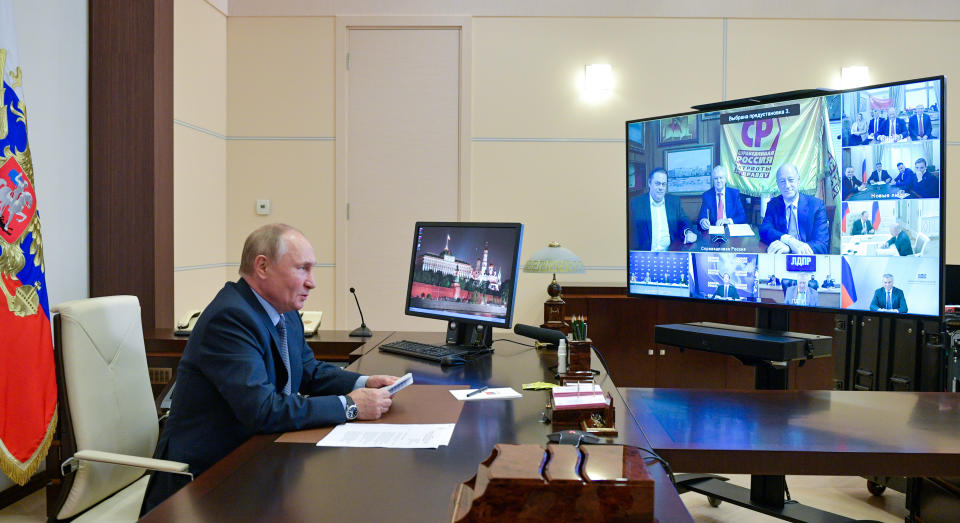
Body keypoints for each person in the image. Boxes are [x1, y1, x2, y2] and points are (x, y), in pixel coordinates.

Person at [140, 224, 398, 515]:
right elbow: (262, 411)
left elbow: (308, 370)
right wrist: (350, 406)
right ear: (262, 266)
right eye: (302, 269)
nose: (312, 283)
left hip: (256, 459)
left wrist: (363, 382)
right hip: (205, 482)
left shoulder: (285, 314)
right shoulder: (230, 318)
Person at [759, 163, 831, 254]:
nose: (787, 185)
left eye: (791, 180)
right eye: (782, 181)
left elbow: (822, 244)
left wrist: (792, 249)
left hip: (808, 261)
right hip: (782, 257)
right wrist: (788, 240)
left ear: (798, 181)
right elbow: (764, 229)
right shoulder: (773, 205)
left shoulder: (816, 206)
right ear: (777, 184)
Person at [628, 167, 697, 251]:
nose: (661, 188)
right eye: (657, 183)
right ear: (649, 183)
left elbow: (684, 220)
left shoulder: (674, 201)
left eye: (663, 184)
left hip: (670, 253)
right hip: (646, 255)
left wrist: (688, 232)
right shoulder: (636, 204)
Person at [696, 165, 747, 231]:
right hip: (714, 231)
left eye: (721, 178)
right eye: (716, 178)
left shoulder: (734, 194)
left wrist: (728, 221)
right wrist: (703, 221)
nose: (719, 181)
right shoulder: (707, 195)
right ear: (713, 180)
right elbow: (702, 215)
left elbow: (742, 217)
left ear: (725, 179)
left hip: (730, 230)